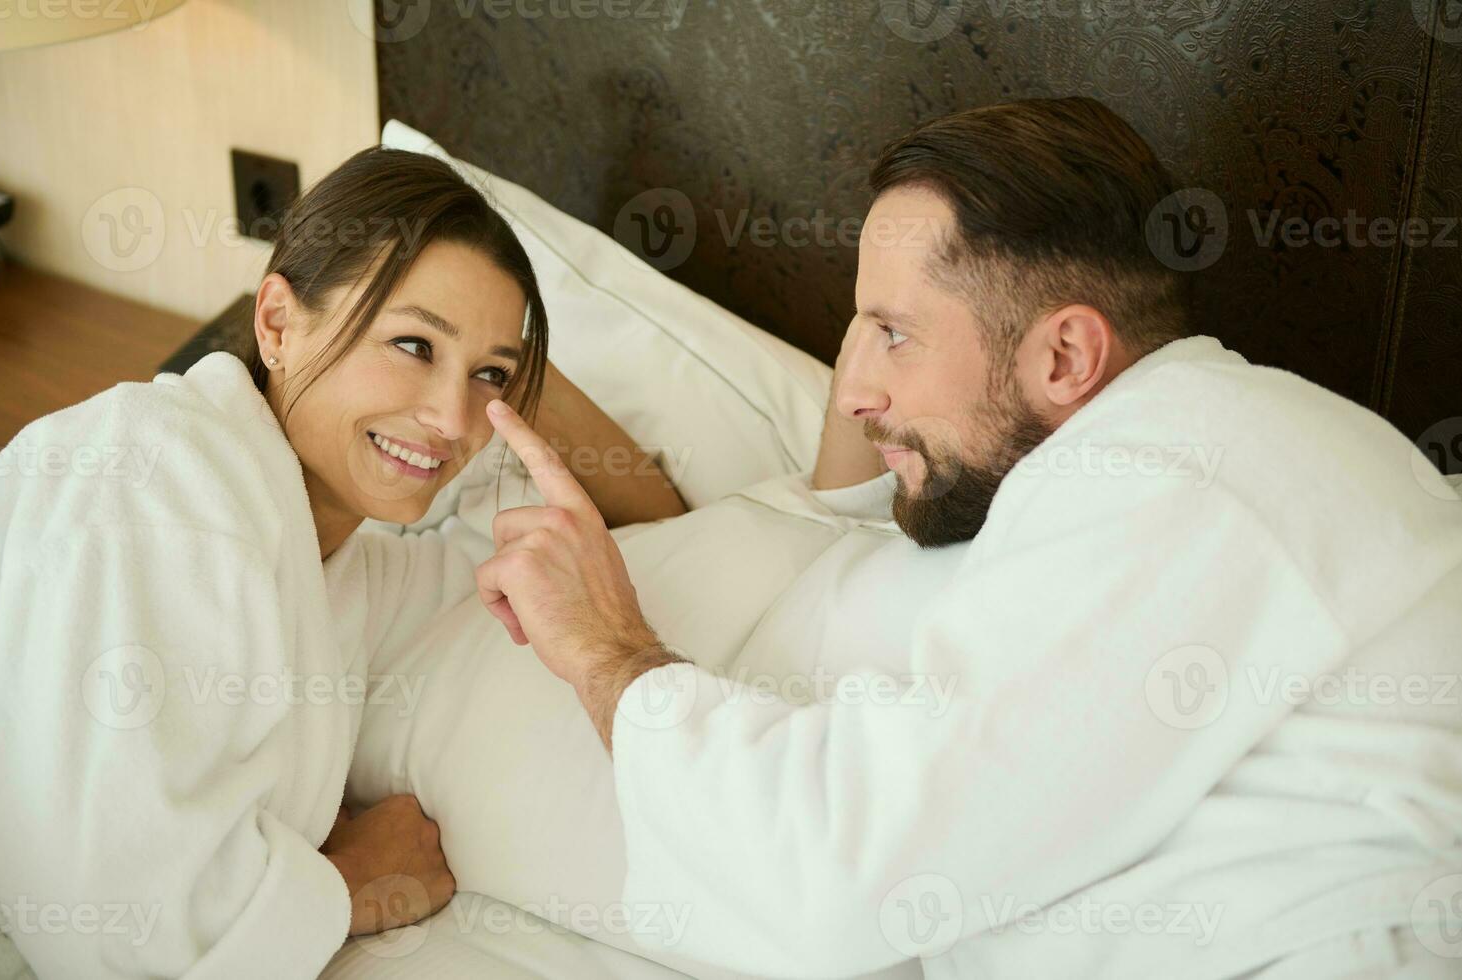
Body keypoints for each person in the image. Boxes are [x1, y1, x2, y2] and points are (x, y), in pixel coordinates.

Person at [472, 97, 1462, 978]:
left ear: (1067, 354)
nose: (855, 389)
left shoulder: (1178, 470)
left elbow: (839, 872)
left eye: (895, 332)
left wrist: (607, 649)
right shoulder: (1130, 467)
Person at [0, 146, 684, 978]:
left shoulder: (345, 564)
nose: (453, 418)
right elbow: (105, 937)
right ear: (277, 323)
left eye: (488, 378)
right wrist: (352, 882)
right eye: (414, 345)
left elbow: (650, 525)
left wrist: (505, 361)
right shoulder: (155, 475)